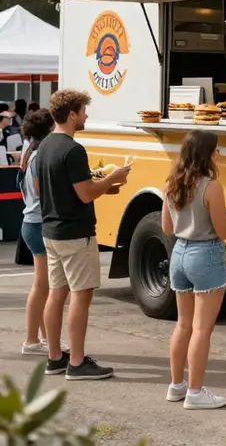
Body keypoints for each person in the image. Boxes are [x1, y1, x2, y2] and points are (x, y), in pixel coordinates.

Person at [38, 89, 131, 380]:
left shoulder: (45, 146)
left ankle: (55, 357)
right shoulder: (73, 149)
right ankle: (77, 362)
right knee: (80, 295)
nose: (87, 115)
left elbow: (47, 189)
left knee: (56, 294)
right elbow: (86, 193)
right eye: (84, 110)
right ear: (72, 114)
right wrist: (113, 179)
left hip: (51, 230)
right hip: (76, 233)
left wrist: (101, 186)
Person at [161, 129, 226, 410]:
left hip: (179, 254)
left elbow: (168, 228)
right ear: (206, 154)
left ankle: (176, 385)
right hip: (206, 256)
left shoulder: (171, 183)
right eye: (216, 150)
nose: (219, 154)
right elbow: (224, 231)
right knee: (203, 330)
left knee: (183, 325)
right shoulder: (211, 186)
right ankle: (195, 392)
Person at [19, 108, 56, 355]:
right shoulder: (38, 154)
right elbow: (41, 189)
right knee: (42, 286)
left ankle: (41, 337)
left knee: (42, 285)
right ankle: (32, 340)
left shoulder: (29, 150)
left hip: (31, 223)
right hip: (37, 223)